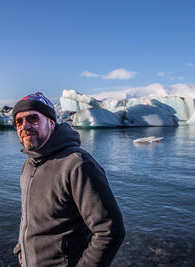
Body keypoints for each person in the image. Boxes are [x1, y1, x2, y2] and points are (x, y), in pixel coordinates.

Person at [12, 93, 125, 267]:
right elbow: (28, 218)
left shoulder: (77, 164)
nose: (24, 126)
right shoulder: (29, 164)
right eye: (19, 122)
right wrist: (21, 252)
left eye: (33, 119)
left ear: (51, 123)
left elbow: (109, 231)